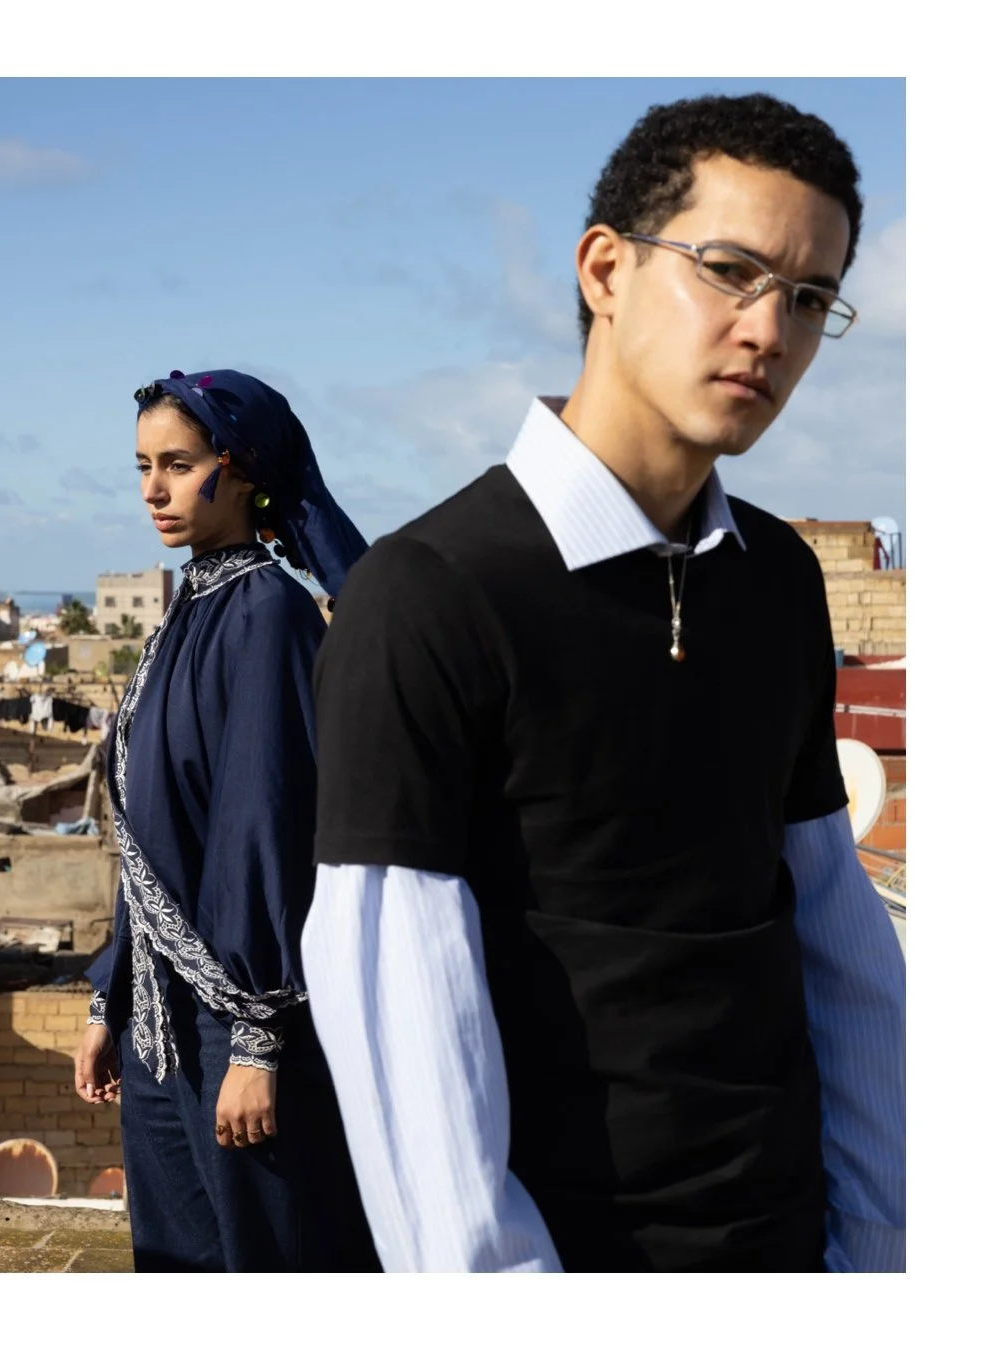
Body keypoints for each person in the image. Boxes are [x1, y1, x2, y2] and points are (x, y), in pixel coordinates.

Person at [301, 93, 906, 1273]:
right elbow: (406, 1039)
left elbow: (835, 935)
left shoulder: (775, 575)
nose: (768, 330)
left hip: (796, 1251)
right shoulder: (427, 594)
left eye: (810, 297)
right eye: (729, 269)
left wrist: (884, 1247)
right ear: (605, 271)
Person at [74, 369, 378, 1273]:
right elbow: (153, 837)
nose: (154, 490)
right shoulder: (186, 610)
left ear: (241, 470)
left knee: (268, 1267)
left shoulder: (267, 613)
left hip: (240, 1028)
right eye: (141, 467)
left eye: (178, 463)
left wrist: (256, 1039)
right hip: (158, 1029)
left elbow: (264, 824)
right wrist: (111, 991)